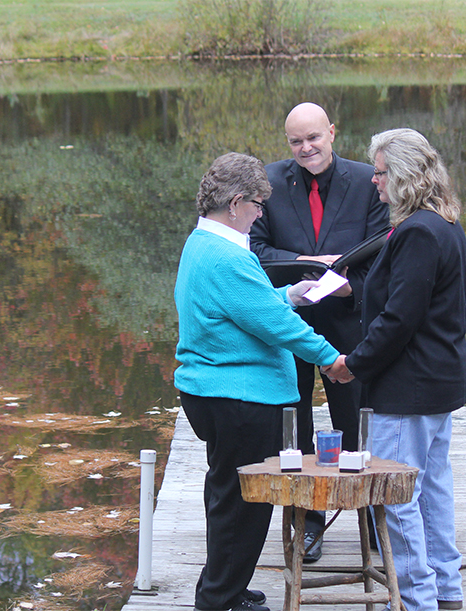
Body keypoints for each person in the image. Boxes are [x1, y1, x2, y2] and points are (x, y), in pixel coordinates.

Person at [174, 152, 344, 611]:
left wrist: (288, 293)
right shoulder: (228, 255)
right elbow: (276, 326)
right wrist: (331, 359)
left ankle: (228, 587)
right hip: (238, 398)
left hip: (214, 393)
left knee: (229, 495)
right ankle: (219, 600)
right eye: (257, 205)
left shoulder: (201, 243)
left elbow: (247, 305)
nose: (260, 213)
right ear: (235, 202)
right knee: (243, 505)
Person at [325, 128, 466, 611]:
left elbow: (399, 320)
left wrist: (352, 364)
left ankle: (414, 600)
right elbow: (416, 306)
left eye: (382, 173)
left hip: (408, 389)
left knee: (395, 498)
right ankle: (446, 592)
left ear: (405, 176)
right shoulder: (444, 224)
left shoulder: (416, 233)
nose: (374, 182)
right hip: (438, 383)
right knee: (431, 494)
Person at [250, 102, 389, 561]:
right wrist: (305, 266)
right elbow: (257, 250)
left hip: (349, 324)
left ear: (332, 132)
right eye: (296, 141)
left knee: (355, 424)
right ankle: (307, 523)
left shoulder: (368, 182)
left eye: (314, 138)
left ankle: (370, 518)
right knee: (296, 428)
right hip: (289, 323)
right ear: (286, 143)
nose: (306, 148)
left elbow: (380, 255)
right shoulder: (268, 183)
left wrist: (350, 288)